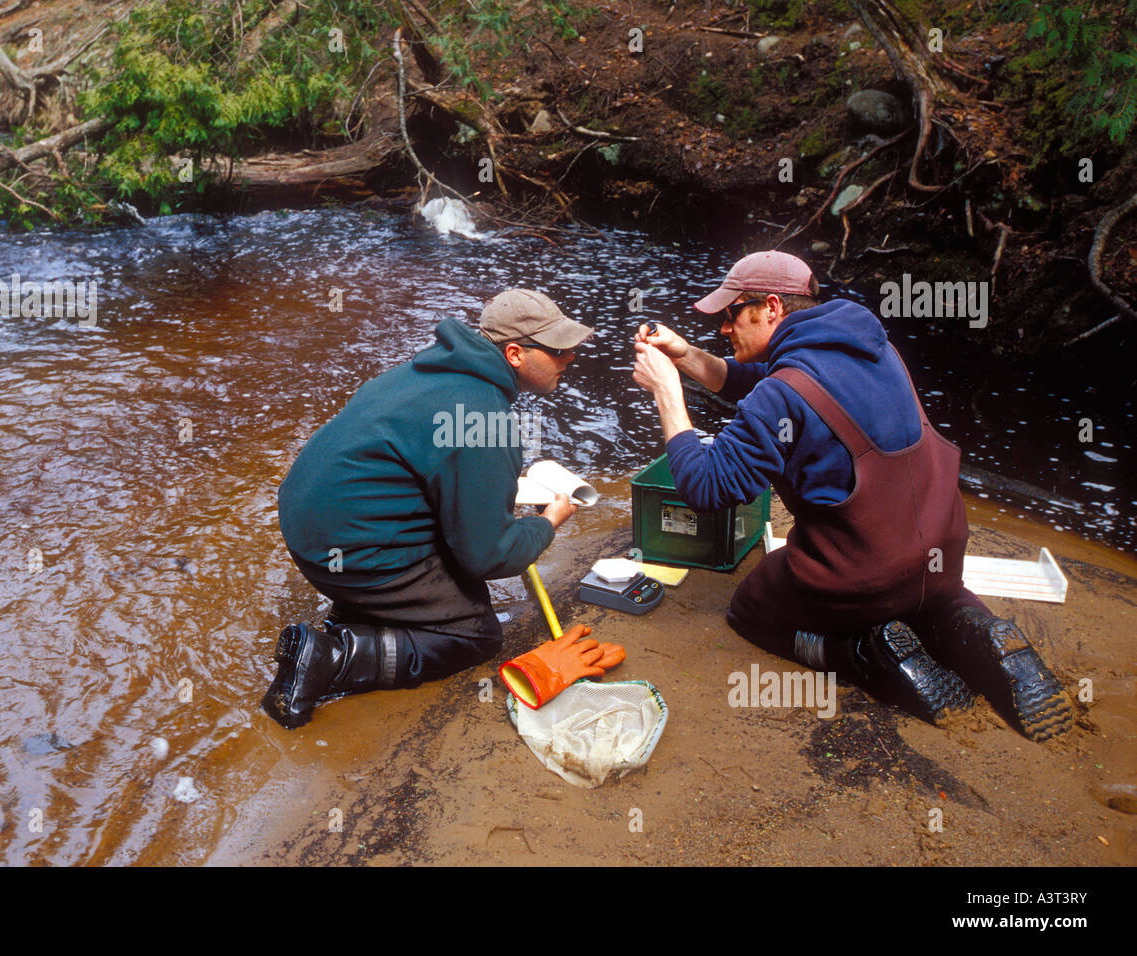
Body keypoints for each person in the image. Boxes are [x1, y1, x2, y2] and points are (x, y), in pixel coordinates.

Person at [631, 250, 1073, 741]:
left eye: (732, 314)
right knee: (934, 604)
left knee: (750, 608)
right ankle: (982, 634)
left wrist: (667, 394)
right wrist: (686, 357)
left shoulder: (782, 393)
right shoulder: (873, 349)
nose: (724, 328)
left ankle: (866, 654)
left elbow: (707, 488)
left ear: (771, 307)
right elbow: (763, 386)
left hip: (864, 575)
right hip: (939, 560)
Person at [265, 289, 592, 729]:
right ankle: (330, 658)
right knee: (476, 634)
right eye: (558, 350)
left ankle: (363, 611)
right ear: (515, 354)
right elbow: (490, 556)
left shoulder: (428, 371)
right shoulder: (484, 418)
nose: (570, 357)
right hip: (346, 551)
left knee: (446, 559)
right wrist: (548, 523)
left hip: (307, 526)